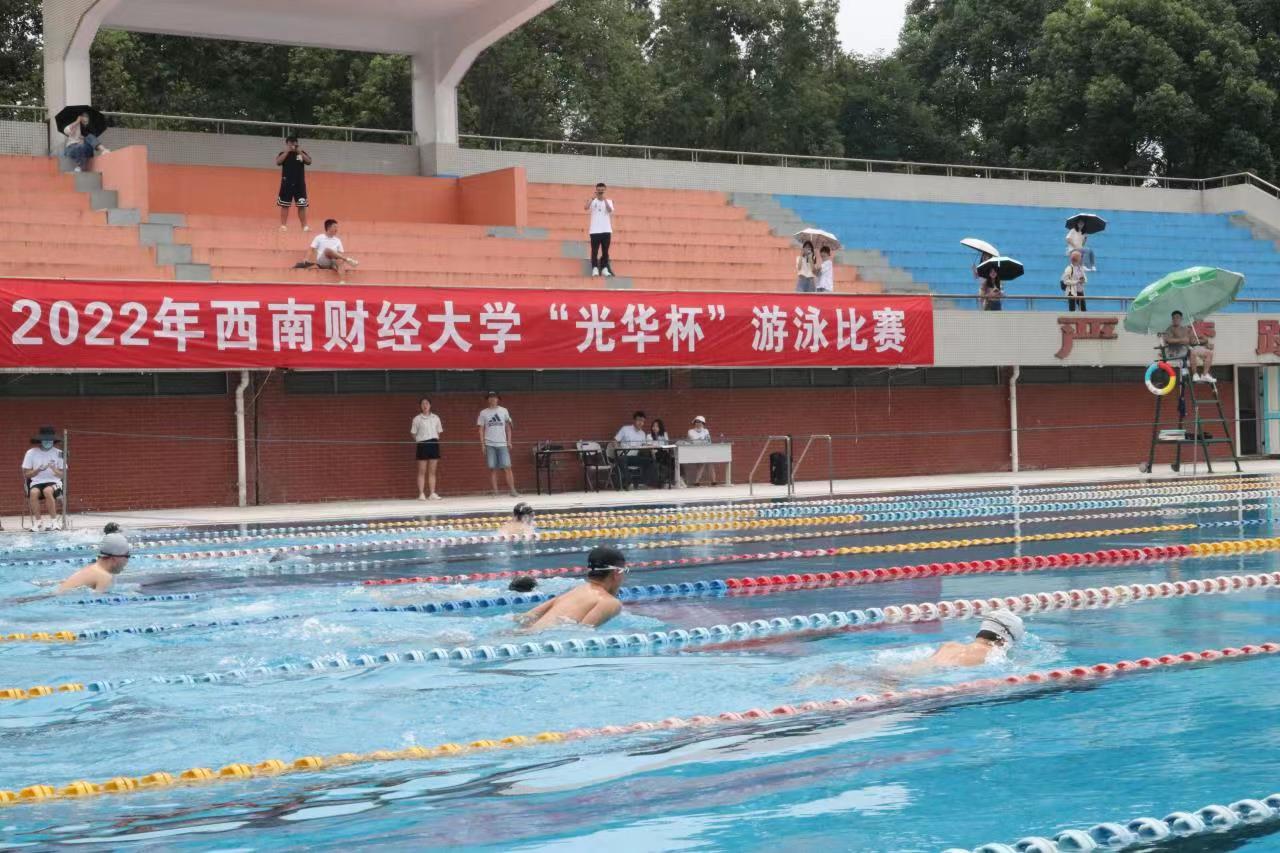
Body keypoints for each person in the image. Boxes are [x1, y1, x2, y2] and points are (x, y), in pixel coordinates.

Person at [516, 545, 626, 630]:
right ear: (617, 573)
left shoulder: (576, 590)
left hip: (526, 634)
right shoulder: (610, 602)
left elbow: (526, 617)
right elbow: (582, 632)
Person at [56, 524, 130, 595]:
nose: (127, 561)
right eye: (127, 556)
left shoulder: (94, 569)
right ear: (114, 558)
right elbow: (99, 601)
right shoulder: (104, 576)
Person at [23, 426, 66, 531]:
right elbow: (26, 474)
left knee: (47, 491)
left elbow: (63, 475)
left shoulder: (59, 453)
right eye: (45, 440)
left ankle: (54, 522)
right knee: (33, 492)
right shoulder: (31, 453)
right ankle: (38, 522)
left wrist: (54, 469)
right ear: (41, 440)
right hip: (37, 482)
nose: (48, 442)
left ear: (53, 441)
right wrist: (37, 470)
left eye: (50, 440)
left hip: (55, 482)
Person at [477, 390, 519, 496]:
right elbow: (481, 430)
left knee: (507, 467)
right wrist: (482, 445)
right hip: (489, 444)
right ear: (488, 399)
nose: (492, 399)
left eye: (494, 397)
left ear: (498, 399)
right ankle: (495, 492)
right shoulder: (483, 413)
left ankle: (512, 490)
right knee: (493, 468)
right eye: (490, 397)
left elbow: (509, 427)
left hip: (502, 444)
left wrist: (509, 441)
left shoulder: (504, 411)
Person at [276, 136, 312, 232]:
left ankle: (304, 226)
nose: (293, 145)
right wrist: (287, 152)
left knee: (301, 205)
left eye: (294, 142)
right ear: (287, 144)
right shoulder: (283, 153)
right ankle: (283, 226)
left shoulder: (301, 153)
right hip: (286, 183)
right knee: (285, 205)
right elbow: (278, 162)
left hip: (299, 184)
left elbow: (309, 161)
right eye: (291, 143)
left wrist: (299, 151)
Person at [305, 219, 359, 284]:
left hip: (333, 261)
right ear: (328, 227)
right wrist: (306, 259)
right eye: (335, 227)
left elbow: (340, 253)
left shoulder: (337, 240)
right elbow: (311, 249)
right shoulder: (319, 237)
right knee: (327, 250)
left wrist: (338, 260)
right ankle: (347, 259)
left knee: (340, 260)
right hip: (323, 261)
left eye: (337, 227)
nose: (337, 229)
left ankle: (342, 281)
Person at [411, 397, 443, 501]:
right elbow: (413, 433)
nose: (425, 405)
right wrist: (419, 441)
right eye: (423, 404)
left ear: (430, 405)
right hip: (422, 444)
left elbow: (439, 432)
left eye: (427, 403)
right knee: (422, 471)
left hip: (433, 444)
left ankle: (432, 493)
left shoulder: (436, 418)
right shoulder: (417, 419)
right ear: (420, 406)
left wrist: (434, 440)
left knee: (432, 471)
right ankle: (421, 494)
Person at [614, 410, 656, 489]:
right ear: (634, 420)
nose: (640, 423)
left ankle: (642, 483)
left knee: (651, 461)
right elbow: (615, 441)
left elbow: (643, 446)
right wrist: (618, 451)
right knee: (622, 459)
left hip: (634, 457)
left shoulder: (643, 433)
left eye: (642, 421)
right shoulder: (625, 429)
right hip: (624, 455)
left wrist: (649, 446)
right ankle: (629, 483)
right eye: (639, 420)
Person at [585, 182, 614, 278]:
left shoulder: (608, 201)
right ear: (596, 190)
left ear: (605, 190)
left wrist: (604, 199)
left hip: (606, 230)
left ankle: (604, 268)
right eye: (599, 190)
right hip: (594, 231)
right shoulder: (593, 201)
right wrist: (592, 198)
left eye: (602, 190)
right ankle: (595, 268)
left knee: (605, 251)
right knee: (594, 251)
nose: (600, 192)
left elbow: (610, 210)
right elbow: (586, 207)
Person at [681, 414, 715, 487]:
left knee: (710, 462)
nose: (698, 423)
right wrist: (701, 441)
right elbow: (693, 441)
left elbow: (708, 441)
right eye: (696, 422)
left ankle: (713, 481)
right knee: (704, 461)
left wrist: (702, 441)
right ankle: (697, 481)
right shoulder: (690, 431)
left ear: (703, 423)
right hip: (694, 452)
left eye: (700, 422)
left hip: (704, 451)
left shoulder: (706, 431)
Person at [649, 417, 674, 488]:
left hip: (663, 454)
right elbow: (651, 447)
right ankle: (662, 481)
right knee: (666, 458)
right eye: (653, 426)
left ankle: (669, 480)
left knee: (672, 460)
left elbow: (667, 446)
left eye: (657, 426)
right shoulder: (649, 436)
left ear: (660, 427)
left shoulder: (664, 435)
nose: (654, 428)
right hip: (654, 454)